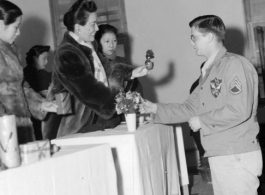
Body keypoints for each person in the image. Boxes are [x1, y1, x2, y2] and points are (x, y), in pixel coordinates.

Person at [140, 15, 262, 195]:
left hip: (236, 154)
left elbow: (239, 110)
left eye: (194, 37)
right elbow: (190, 108)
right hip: (221, 153)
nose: (191, 43)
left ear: (210, 37)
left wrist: (202, 121)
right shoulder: (209, 71)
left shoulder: (234, 65)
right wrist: (156, 109)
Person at [43, 0, 149, 139]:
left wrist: (130, 72)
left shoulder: (87, 45)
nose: (97, 28)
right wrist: (115, 105)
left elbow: (106, 66)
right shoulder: (67, 53)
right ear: (78, 27)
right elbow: (88, 90)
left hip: (92, 117)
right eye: (93, 24)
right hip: (73, 126)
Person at [0, 1, 57, 144]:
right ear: (1, 25)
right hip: (5, 131)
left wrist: (40, 104)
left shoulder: (12, 50)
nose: (19, 33)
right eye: (16, 27)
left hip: (21, 126)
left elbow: (22, 87)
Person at [95, 24, 144, 95]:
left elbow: (136, 86)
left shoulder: (123, 61)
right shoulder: (96, 63)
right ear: (98, 42)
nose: (111, 45)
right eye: (107, 41)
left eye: (114, 40)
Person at [24, 45, 52, 140]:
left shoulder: (45, 74)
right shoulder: (24, 75)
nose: (47, 62)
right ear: (34, 58)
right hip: (35, 117)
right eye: (44, 58)